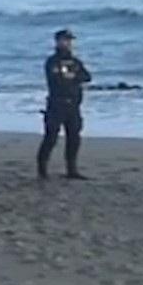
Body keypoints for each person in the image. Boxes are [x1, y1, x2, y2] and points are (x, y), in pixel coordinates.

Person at [36, 28, 92, 180]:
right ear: (58, 42)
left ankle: (71, 170)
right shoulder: (52, 61)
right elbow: (58, 80)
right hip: (56, 104)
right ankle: (42, 170)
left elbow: (86, 77)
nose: (67, 43)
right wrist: (72, 76)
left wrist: (72, 76)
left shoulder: (75, 61)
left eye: (69, 41)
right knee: (51, 137)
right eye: (65, 40)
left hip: (73, 105)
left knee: (74, 137)